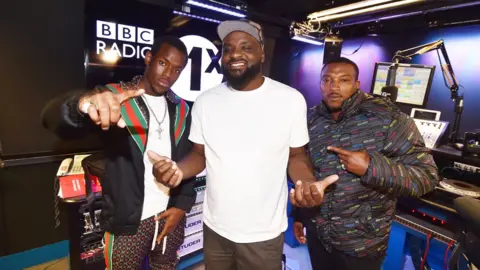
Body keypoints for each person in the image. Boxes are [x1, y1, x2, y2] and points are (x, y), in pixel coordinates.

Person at [149, 19, 338, 269]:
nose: (234, 54)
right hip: (215, 228)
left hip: (263, 234)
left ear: (262, 53)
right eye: (227, 49)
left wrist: (306, 183)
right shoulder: (206, 102)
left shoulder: (290, 100)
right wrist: (178, 170)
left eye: (245, 47)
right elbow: (198, 154)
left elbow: (296, 156)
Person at [42, 36, 196, 270]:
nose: (168, 74)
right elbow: (53, 118)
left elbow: (187, 158)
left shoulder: (182, 108)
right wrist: (82, 104)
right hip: (127, 221)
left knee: (166, 266)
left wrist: (181, 206)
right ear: (148, 58)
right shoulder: (114, 97)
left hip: (168, 215)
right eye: (163, 63)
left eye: (177, 69)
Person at [291, 57, 440, 270]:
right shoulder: (313, 119)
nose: (334, 87)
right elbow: (307, 171)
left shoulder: (389, 118)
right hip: (319, 235)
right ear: (320, 83)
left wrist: (371, 167)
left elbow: (427, 177)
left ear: (356, 84)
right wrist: (300, 216)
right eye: (327, 80)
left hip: (361, 243)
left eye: (343, 80)